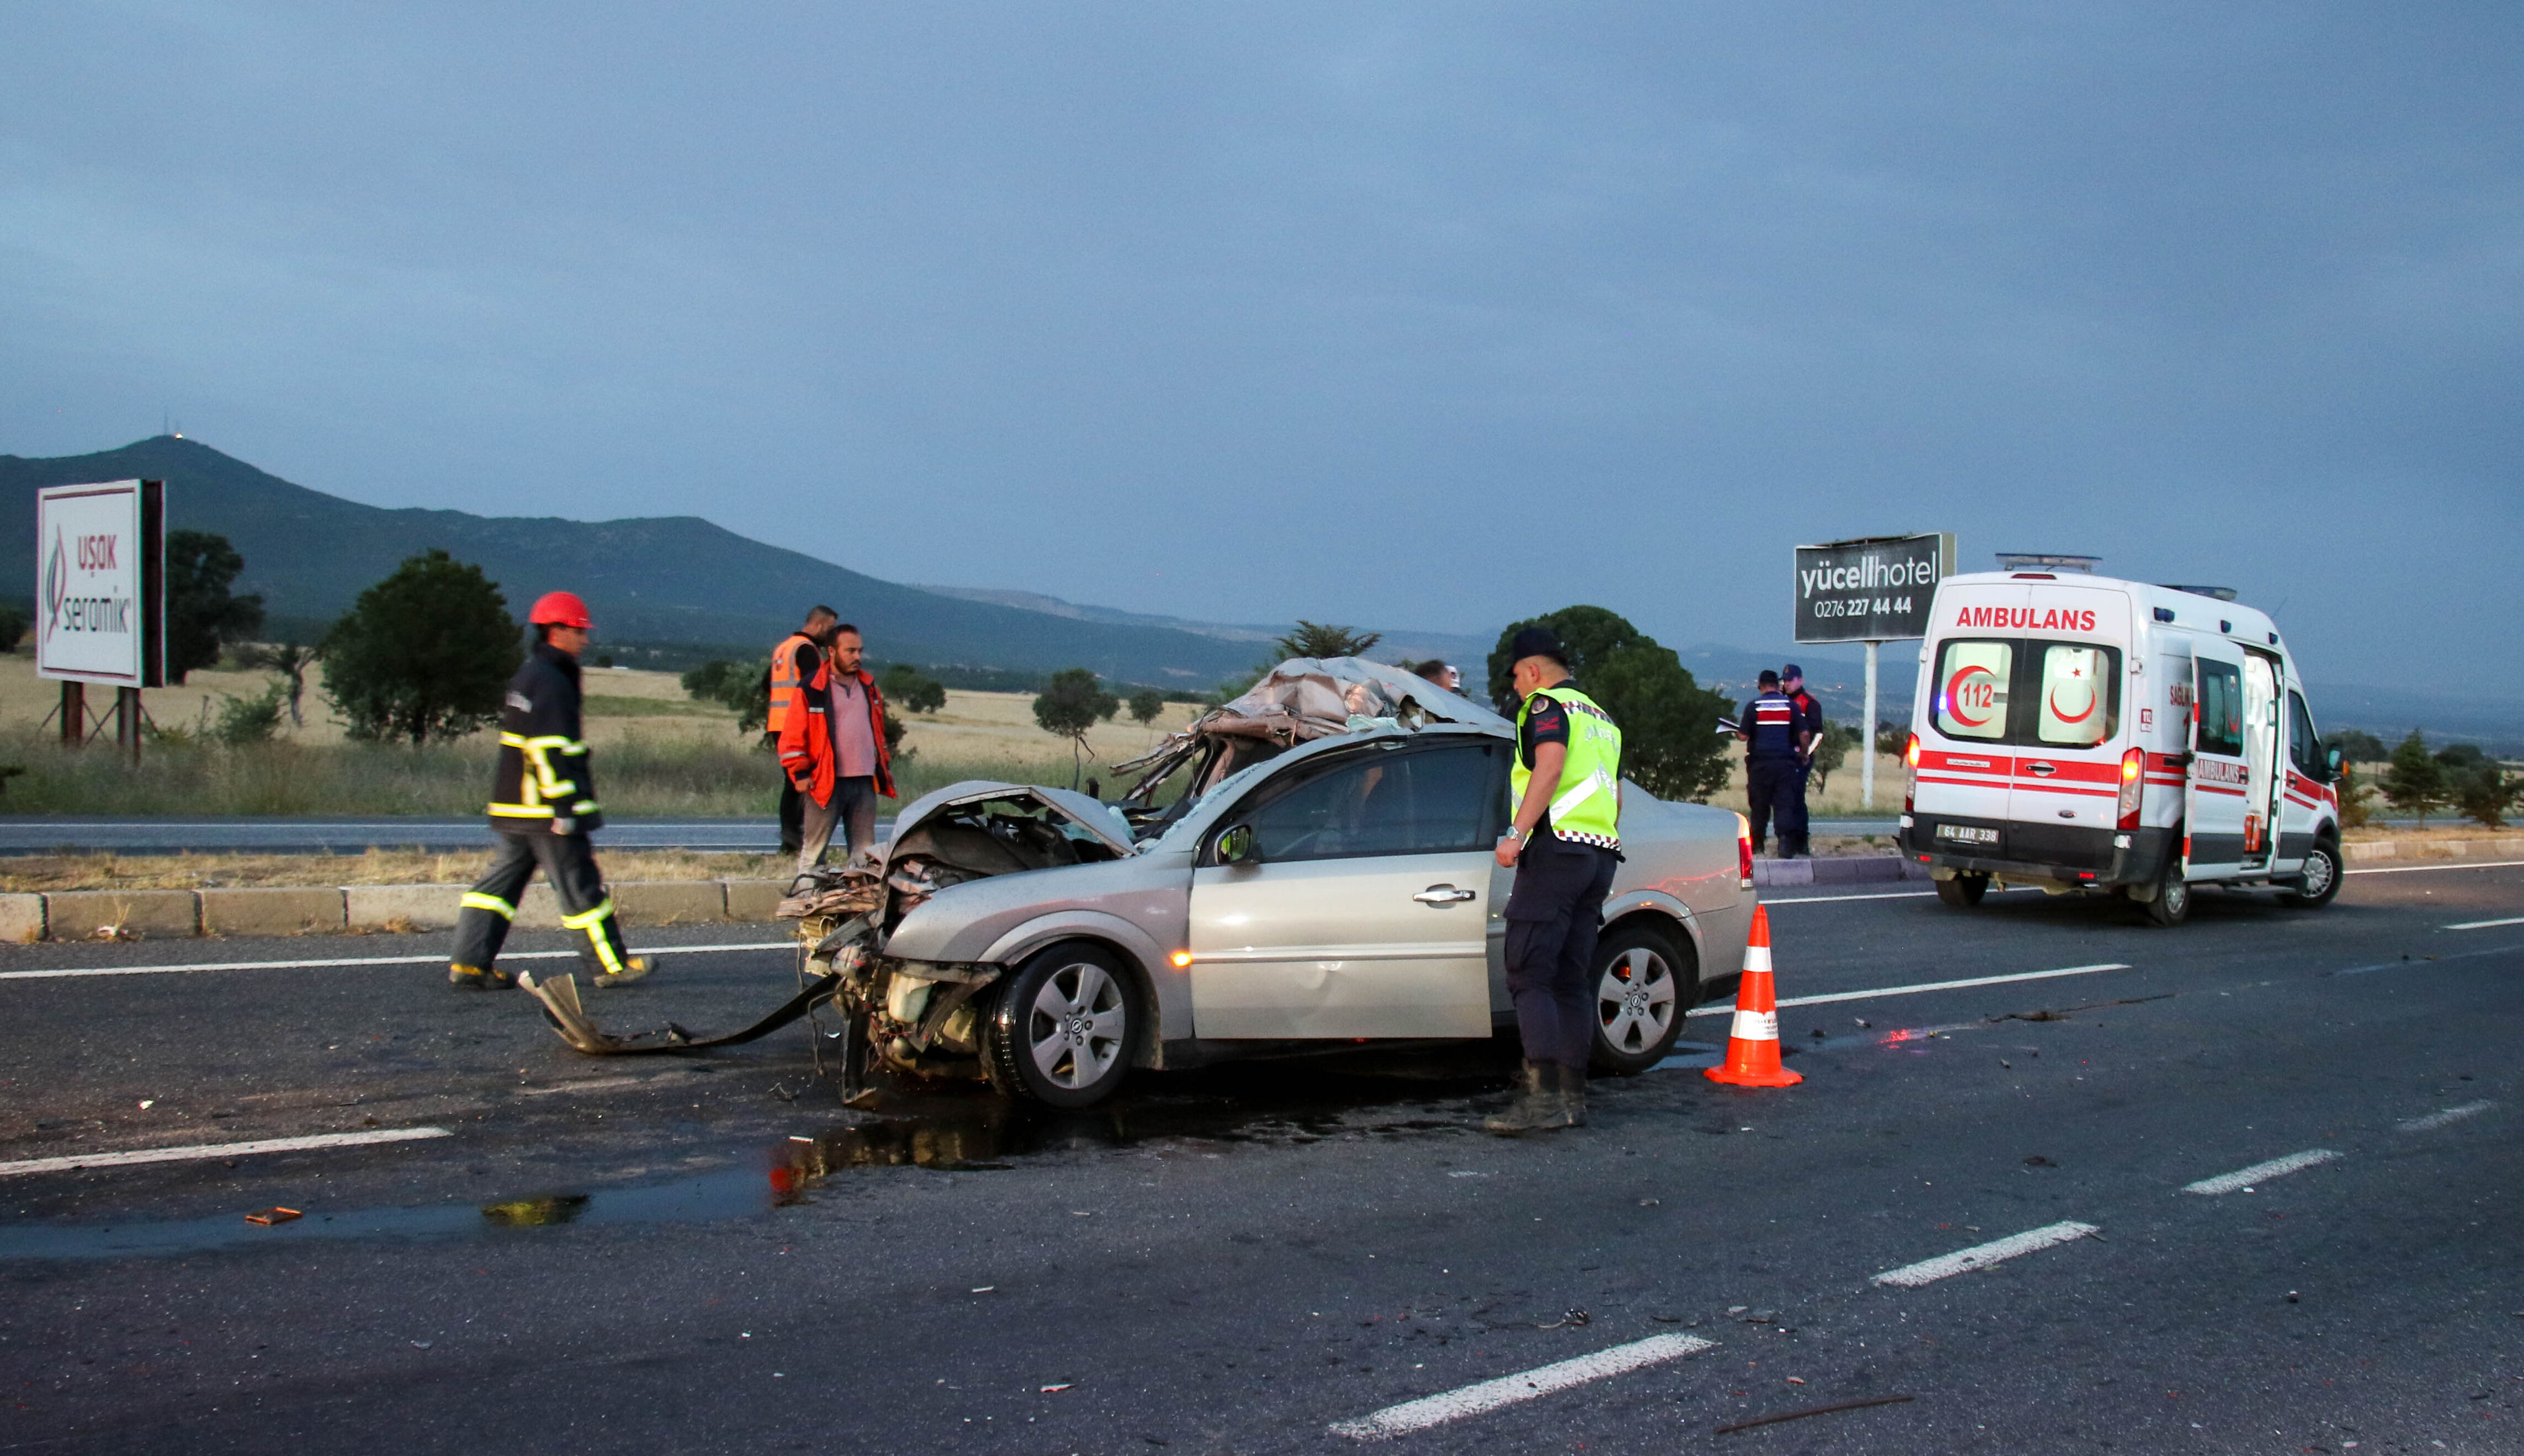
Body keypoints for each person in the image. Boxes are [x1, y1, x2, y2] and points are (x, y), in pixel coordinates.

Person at [448, 592, 649, 991]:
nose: (585, 640)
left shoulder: (528, 676)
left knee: (495, 890)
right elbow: (547, 750)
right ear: (556, 631)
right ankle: (611, 966)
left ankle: (469, 964)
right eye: (578, 631)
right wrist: (564, 808)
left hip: (515, 809)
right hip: (545, 812)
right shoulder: (553, 681)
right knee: (579, 887)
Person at [1483, 627, 1624, 1136]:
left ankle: (1540, 1099)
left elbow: (1550, 765)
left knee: (1528, 971)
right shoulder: (1602, 719)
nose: (1518, 688)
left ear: (1534, 671)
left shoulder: (1546, 707)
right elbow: (1616, 794)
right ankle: (1572, 1098)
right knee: (1570, 976)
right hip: (1599, 854)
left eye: (1518, 677)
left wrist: (1516, 833)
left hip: (1556, 849)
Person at [778, 621, 897, 884]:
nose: (858, 657)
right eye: (850, 651)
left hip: (864, 780)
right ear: (832, 652)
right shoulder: (812, 688)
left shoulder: (868, 686)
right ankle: (807, 898)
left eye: (860, 651)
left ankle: (860, 903)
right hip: (826, 781)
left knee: (864, 855)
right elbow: (793, 735)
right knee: (814, 853)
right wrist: (801, 772)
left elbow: (877, 731)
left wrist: (882, 767)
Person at [767, 607, 839, 856]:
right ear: (818, 625)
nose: (831, 635)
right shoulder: (807, 650)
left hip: (778, 723)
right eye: (830, 629)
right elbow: (814, 688)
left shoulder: (784, 648)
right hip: (796, 726)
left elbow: (767, 684)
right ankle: (795, 842)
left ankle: (791, 841)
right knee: (803, 783)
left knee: (792, 783)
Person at [1736, 669, 1810, 858]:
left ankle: (1757, 844)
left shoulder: (1754, 706)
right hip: (1785, 765)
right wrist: (1804, 753)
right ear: (1778, 686)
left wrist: (1738, 732)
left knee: (1759, 805)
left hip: (1760, 765)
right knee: (1784, 803)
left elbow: (1743, 735)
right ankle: (1785, 844)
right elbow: (1804, 734)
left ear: (1760, 686)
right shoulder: (1791, 706)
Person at [1782, 663, 1822, 858]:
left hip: (1801, 759)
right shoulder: (1780, 701)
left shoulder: (1810, 703)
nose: (1787, 684)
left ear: (1801, 680)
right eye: (1785, 681)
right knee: (1784, 799)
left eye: (1791, 680)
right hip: (1782, 757)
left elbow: (1818, 734)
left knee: (1797, 799)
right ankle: (1786, 840)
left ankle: (1801, 841)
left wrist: (1806, 754)